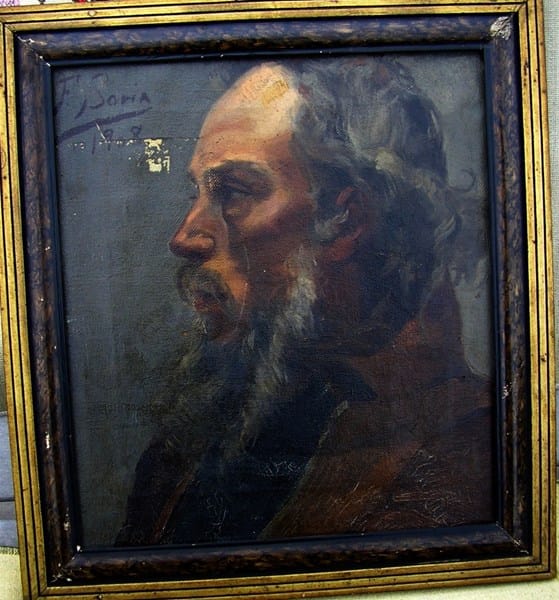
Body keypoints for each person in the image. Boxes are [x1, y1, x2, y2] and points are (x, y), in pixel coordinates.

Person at [116, 56, 494, 546]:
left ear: (347, 222)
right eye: (198, 194)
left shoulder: (466, 451)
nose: (184, 237)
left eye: (233, 192)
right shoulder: (206, 422)